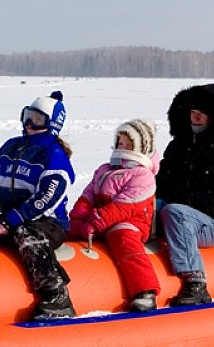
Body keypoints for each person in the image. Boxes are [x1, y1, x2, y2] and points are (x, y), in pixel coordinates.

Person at [0, 90, 77, 321]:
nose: (29, 124)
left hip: (47, 222)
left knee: (27, 236)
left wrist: (8, 223)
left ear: (52, 124)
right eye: (27, 116)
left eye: (37, 119)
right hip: (10, 218)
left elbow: (46, 199)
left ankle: (56, 295)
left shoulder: (53, 154)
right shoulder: (11, 147)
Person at [156, 84, 214, 306]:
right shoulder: (178, 145)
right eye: (192, 110)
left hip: (211, 222)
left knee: (174, 211)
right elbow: (161, 181)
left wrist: (181, 197)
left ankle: (196, 281)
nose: (195, 116)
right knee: (151, 205)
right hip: (175, 211)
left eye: (202, 112)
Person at [69, 119, 161, 312]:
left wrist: (96, 221)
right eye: (121, 143)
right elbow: (89, 194)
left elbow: (125, 206)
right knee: (69, 230)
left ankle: (145, 290)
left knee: (123, 238)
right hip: (101, 220)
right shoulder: (105, 170)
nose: (123, 148)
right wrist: (79, 216)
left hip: (130, 222)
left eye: (129, 145)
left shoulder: (143, 176)